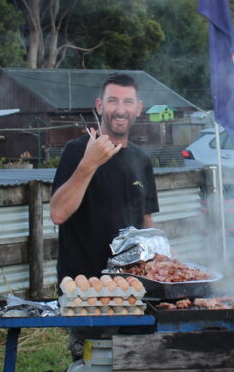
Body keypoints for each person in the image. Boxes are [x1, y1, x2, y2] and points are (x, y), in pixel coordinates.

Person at [51, 72, 159, 356]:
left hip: (133, 294)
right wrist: (90, 162)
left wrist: (165, 266)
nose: (120, 109)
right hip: (87, 295)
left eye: (128, 102)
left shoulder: (141, 160)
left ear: (138, 108)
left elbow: (147, 223)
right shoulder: (76, 151)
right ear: (100, 105)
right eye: (113, 101)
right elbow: (58, 214)